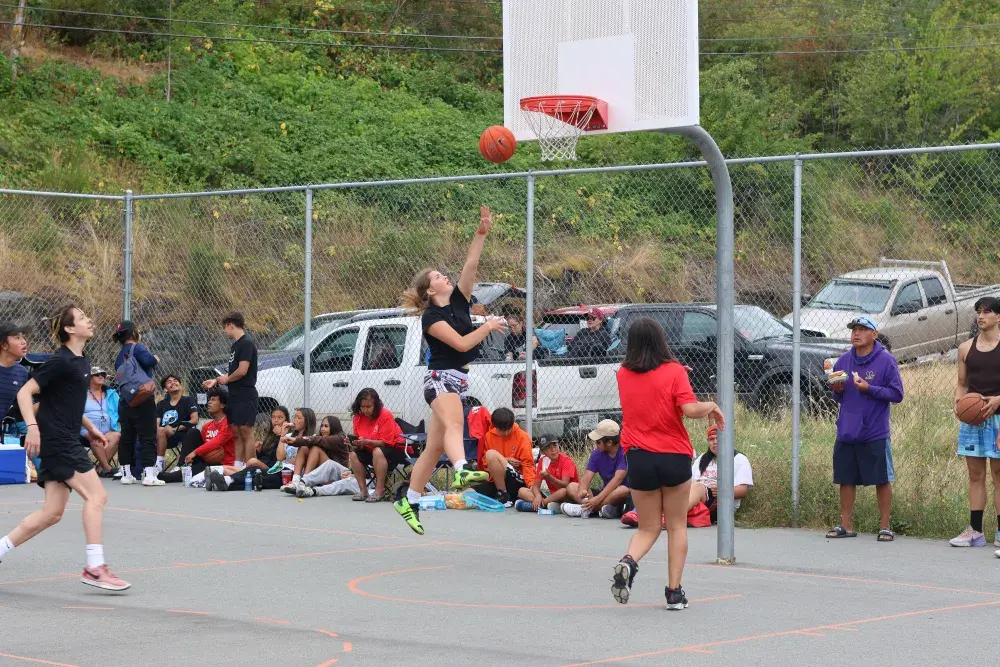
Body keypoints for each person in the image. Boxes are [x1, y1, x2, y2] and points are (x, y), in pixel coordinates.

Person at [393, 205, 506, 534]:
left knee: (434, 447)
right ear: (431, 290)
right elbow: (460, 344)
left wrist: (482, 231)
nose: (446, 277)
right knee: (457, 421)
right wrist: (487, 327)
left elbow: (470, 264)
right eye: (439, 277)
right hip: (439, 380)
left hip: (457, 380)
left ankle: (409, 501)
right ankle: (461, 469)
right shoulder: (431, 318)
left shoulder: (458, 300)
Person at [0, 306, 130, 590]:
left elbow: (63, 401)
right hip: (58, 441)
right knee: (97, 496)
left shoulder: (82, 362)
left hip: (63, 437)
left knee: (52, 513)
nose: (89, 320)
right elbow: (25, 393)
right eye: (83, 318)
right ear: (70, 329)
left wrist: (91, 427)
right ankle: (94, 567)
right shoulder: (60, 361)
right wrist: (32, 429)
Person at [611, 317, 724, 610]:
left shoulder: (622, 373)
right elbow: (689, 409)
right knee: (675, 526)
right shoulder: (674, 371)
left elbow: (644, 391)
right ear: (661, 340)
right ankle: (674, 593)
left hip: (638, 456)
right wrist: (711, 406)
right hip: (673, 456)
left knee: (647, 528)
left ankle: (629, 561)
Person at [826, 315, 903, 542]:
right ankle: (846, 525)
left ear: (874, 335)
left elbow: (897, 394)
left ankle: (885, 526)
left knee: (881, 478)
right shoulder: (843, 361)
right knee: (846, 478)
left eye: (862, 329)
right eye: (853, 330)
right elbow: (837, 395)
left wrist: (870, 388)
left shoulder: (886, 361)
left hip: (875, 431)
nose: (856, 334)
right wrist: (837, 389)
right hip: (847, 430)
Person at [950, 298, 1000, 551]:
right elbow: (962, 382)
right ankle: (976, 531)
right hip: (974, 419)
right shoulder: (965, 348)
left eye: (987, 312)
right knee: (975, 475)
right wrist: (959, 403)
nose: (981, 316)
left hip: (999, 418)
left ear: (998, 317)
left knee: (999, 475)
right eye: (978, 312)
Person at [203, 312, 258, 470]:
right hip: (234, 394)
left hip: (245, 394)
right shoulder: (235, 346)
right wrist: (217, 380)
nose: (224, 331)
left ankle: (250, 468)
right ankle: (237, 466)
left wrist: (227, 379)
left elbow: (242, 371)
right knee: (236, 432)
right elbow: (233, 373)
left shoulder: (246, 343)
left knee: (245, 431)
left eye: (225, 328)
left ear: (231, 325)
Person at [113, 320, 160, 486]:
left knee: (127, 438)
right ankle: (149, 475)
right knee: (148, 436)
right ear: (134, 333)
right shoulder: (137, 348)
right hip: (143, 397)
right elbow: (149, 362)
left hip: (126, 400)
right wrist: (155, 358)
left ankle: (126, 474)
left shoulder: (119, 356)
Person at [562, 420, 630, 519]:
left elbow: (617, 480)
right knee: (571, 487)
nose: (595, 444)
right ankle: (600, 509)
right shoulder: (597, 453)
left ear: (609, 442)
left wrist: (597, 499)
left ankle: (585, 509)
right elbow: (586, 477)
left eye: (598, 442)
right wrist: (583, 489)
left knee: (622, 490)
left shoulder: (624, 452)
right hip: (604, 494)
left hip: (618, 494)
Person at [348, 388, 406, 502]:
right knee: (354, 454)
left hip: (396, 450)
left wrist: (366, 441)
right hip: (371, 450)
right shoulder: (358, 417)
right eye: (362, 406)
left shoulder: (385, 414)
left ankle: (380, 490)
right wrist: (357, 444)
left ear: (376, 405)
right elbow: (361, 441)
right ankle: (363, 491)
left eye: (368, 406)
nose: (365, 410)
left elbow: (386, 442)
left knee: (378, 451)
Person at [276, 416, 357, 498]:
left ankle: (304, 482)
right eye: (321, 426)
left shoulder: (340, 438)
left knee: (315, 449)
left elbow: (320, 440)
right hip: (324, 474)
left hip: (340, 474)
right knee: (304, 448)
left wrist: (295, 440)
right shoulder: (322, 437)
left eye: (326, 426)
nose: (322, 429)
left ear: (334, 427)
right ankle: (296, 481)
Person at [689, 424, 754, 522]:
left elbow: (742, 491)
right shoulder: (701, 459)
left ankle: (669, 518)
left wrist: (723, 491)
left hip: (720, 505)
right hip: (696, 498)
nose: (715, 442)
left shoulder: (739, 459)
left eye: (718, 438)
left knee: (696, 487)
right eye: (711, 439)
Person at [472, 407, 535, 507]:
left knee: (491, 453)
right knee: (468, 493)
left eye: (508, 429)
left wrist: (531, 485)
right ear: (495, 426)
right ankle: (503, 494)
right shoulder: (489, 436)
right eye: (502, 430)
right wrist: (504, 460)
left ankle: (504, 496)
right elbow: (485, 462)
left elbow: (528, 465)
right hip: (497, 480)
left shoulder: (523, 437)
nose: (505, 433)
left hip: (517, 480)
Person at [80, 366, 121, 476]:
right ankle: (107, 468)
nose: (101, 376)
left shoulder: (111, 394)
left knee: (117, 436)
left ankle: (99, 469)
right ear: (89, 378)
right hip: (86, 431)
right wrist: (85, 432)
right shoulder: (80, 394)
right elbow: (75, 415)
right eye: (97, 374)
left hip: (108, 431)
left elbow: (120, 410)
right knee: (96, 439)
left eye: (103, 375)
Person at [155, 374, 198, 474]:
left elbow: (194, 420)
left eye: (175, 380)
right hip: (162, 435)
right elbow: (156, 423)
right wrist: (159, 430)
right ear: (165, 389)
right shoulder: (161, 404)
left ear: (180, 384)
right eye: (169, 382)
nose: (173, 382)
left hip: (181, 434)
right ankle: (144, 466)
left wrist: (175, 429)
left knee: (162, 430)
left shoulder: (188, 400)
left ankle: (159, 464)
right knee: (155, 431)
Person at [523, 437, 579, 511]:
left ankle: (542, 504)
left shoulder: (566, 461)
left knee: (563, 491)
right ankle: (547, 504)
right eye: (548, 448)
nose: (553, 450)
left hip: (568, 495)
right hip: (552, 495)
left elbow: (565, 485)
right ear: (543, 452)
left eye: (555, 445)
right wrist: (538, 496)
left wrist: (550, 478)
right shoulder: (542, 461)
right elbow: (536, 486)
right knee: (522, 491)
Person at [278, 408, 317, 490]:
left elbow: (304, 460)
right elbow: (280, 457)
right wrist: (282, 435)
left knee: (264, 477)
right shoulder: (288, 436)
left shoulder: (312, 438)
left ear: (307, 421)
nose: (295, 420)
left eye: (299, 418)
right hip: (283, 469)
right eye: (295, 417)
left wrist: (287, 460)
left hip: (292, 471)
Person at [0, 322, 29, 431]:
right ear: (4, 345)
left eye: (23, 337)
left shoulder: (22, 373)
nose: (24, 342)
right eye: (17, 338)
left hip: (8, 432)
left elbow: (22, 411)